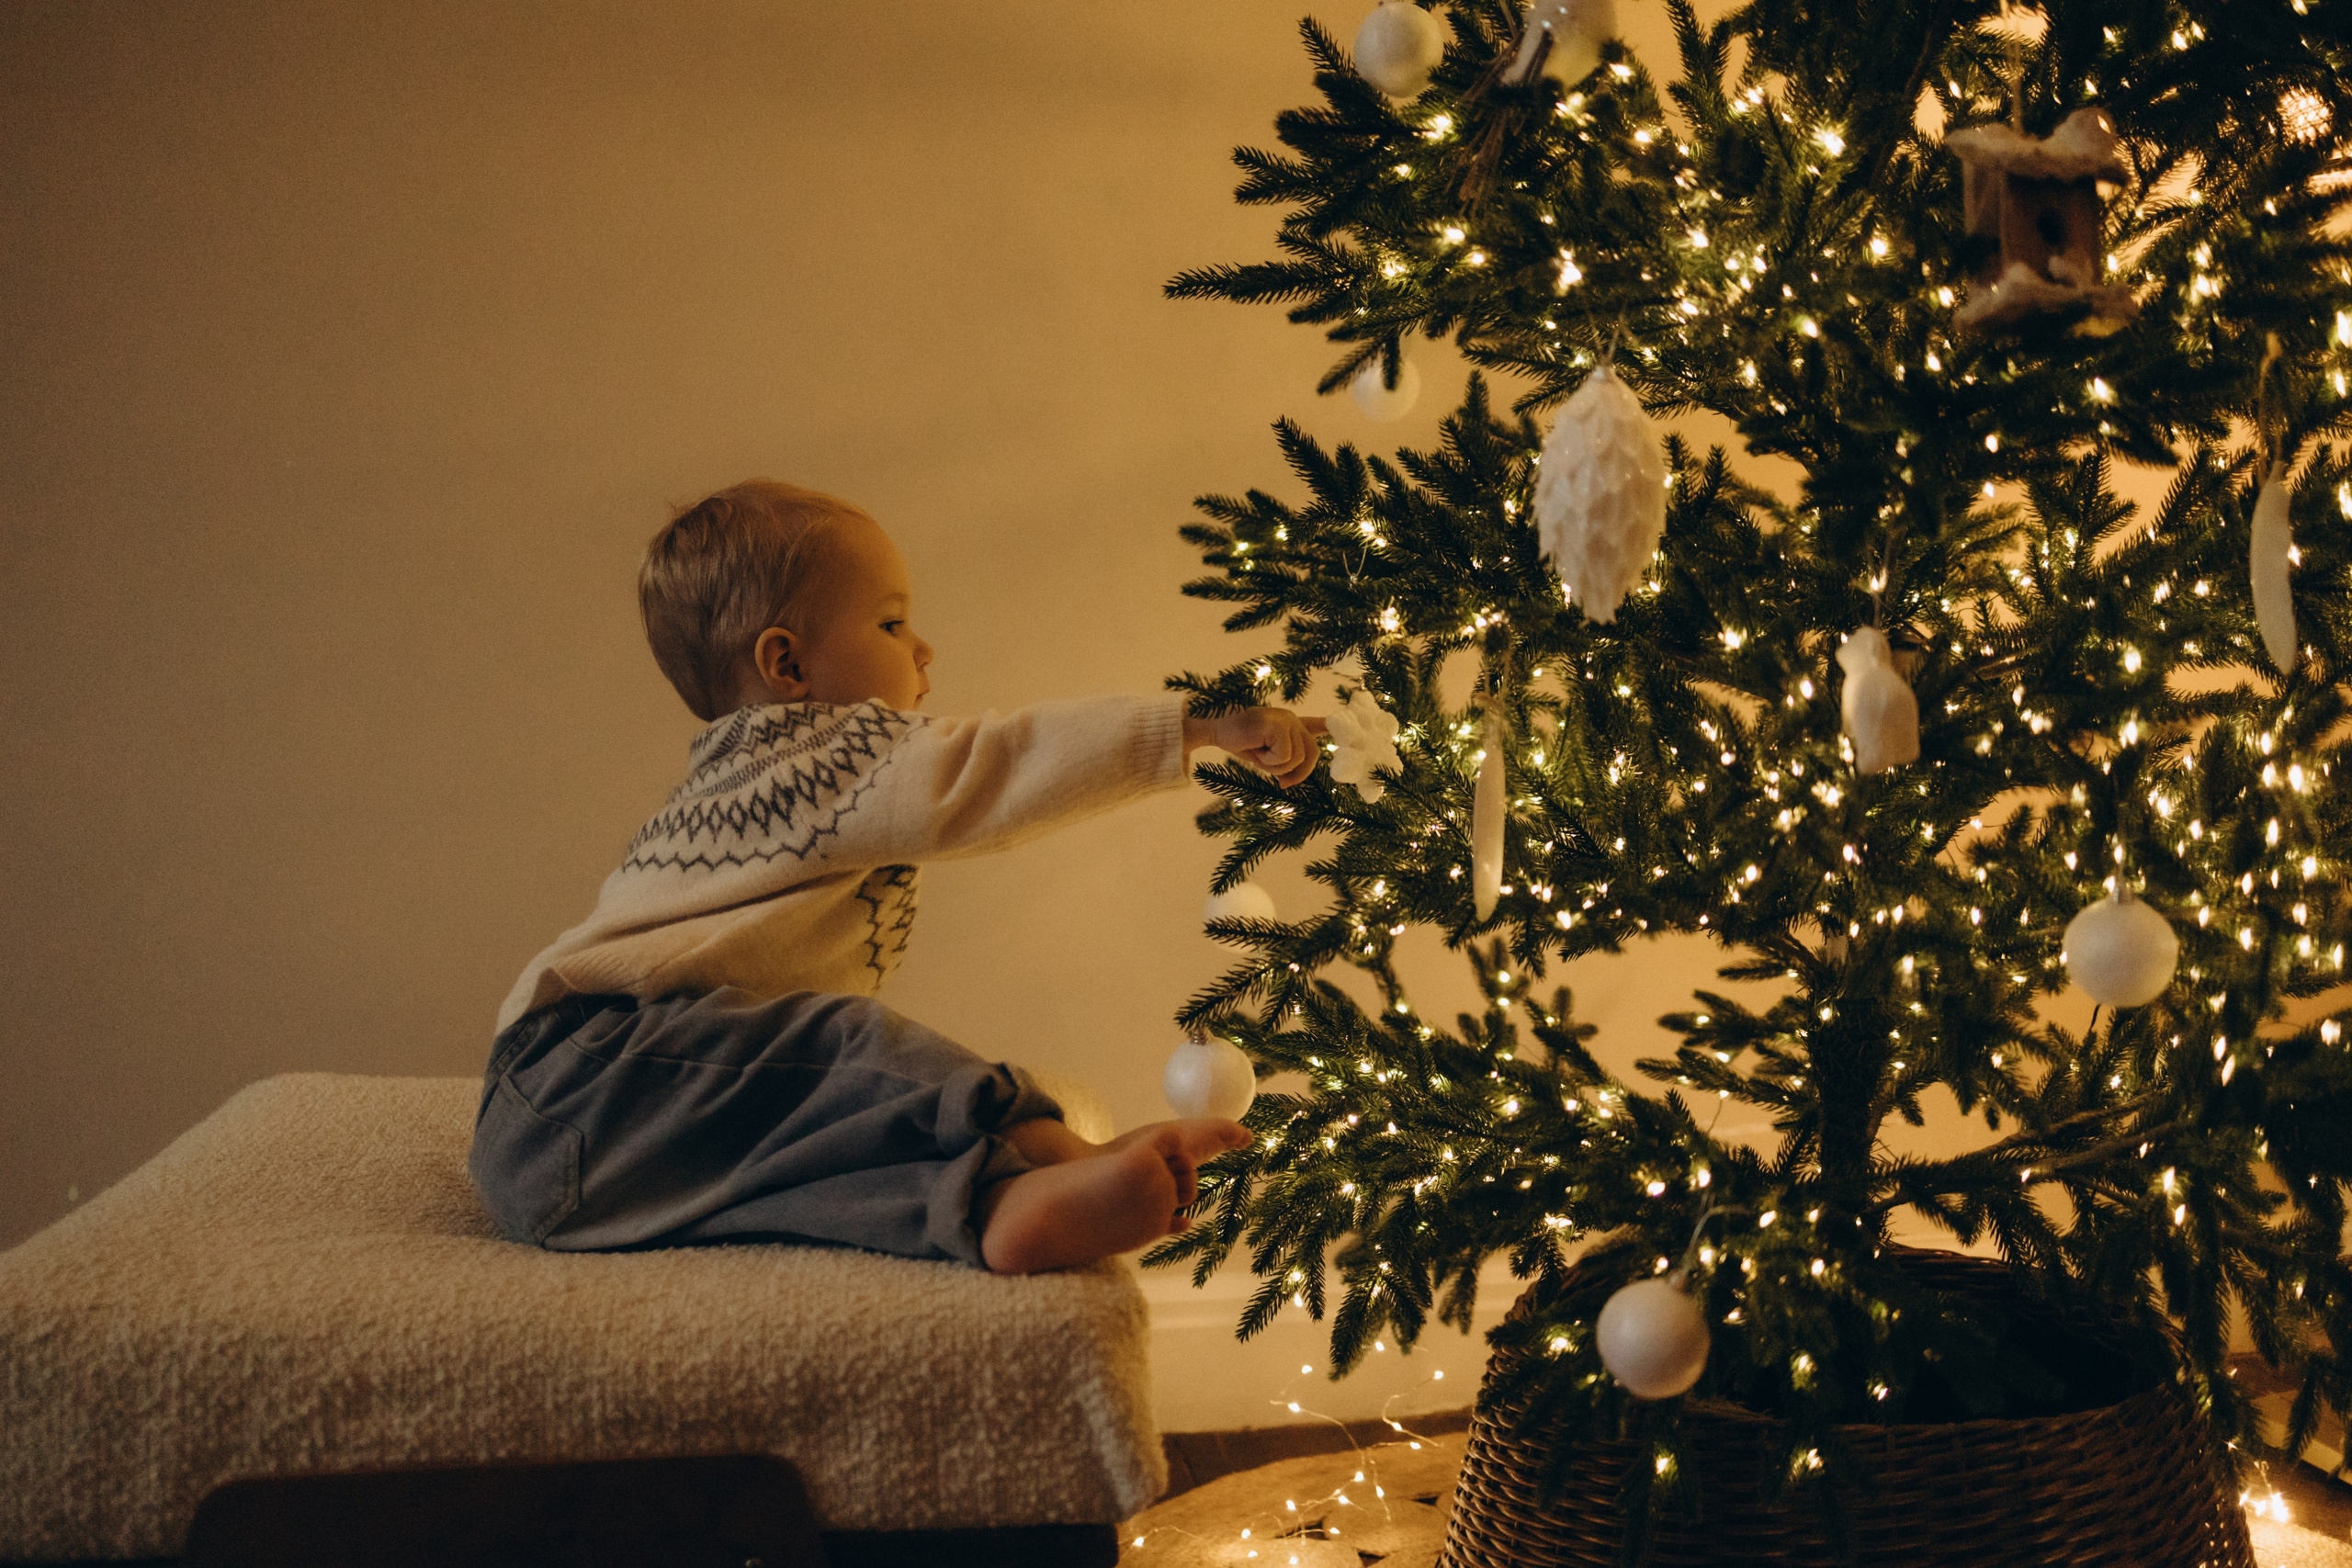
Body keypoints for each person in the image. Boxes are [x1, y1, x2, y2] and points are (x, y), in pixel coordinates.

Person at [469, 479, 1322, 1274]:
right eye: (889, 624)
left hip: (572, 1153)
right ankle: (1056, 1154)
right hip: (586, 1071)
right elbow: (1000, 766)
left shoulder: (736, 777)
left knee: (816, 1148)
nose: (922, 648)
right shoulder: (818, 751)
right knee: (849, 1047)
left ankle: (987, 1203)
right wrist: (1198, 727)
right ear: (788, 667)